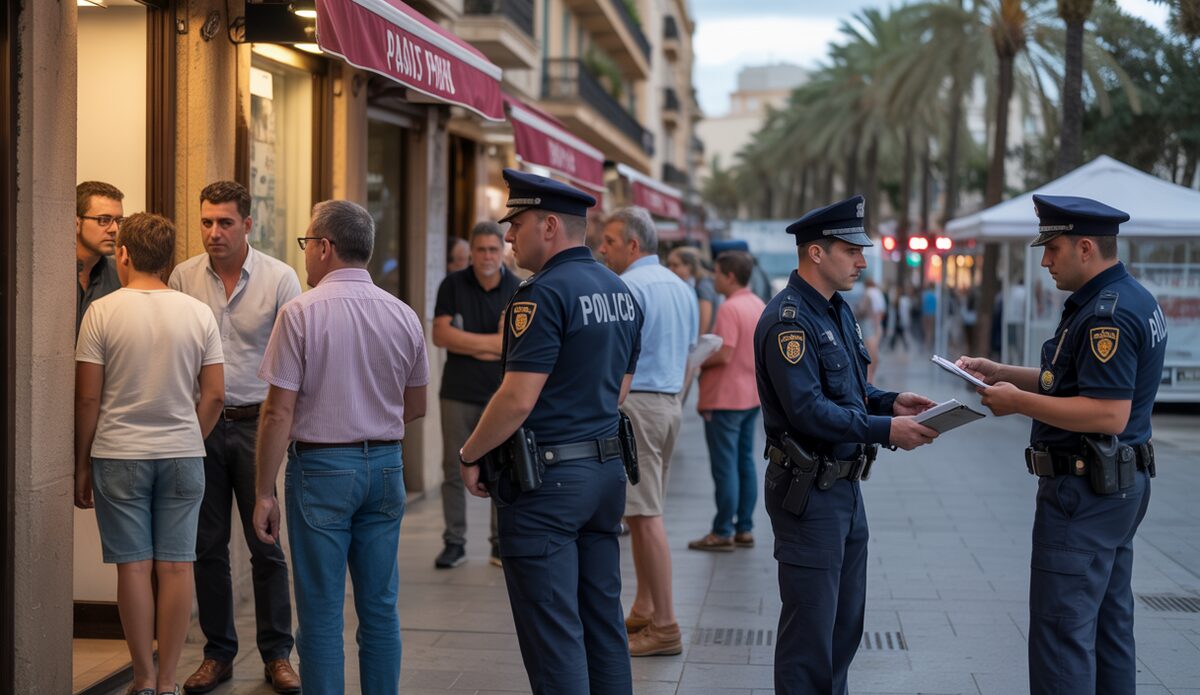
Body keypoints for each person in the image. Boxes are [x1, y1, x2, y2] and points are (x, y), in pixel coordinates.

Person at [958, 195, 1166, 695]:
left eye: (1052, 249)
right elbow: (1071, 380)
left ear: (1086, 248)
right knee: (1108, 628)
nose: (1046, 261)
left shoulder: (1105, 316)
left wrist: (1018, 404)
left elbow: (1106, 411)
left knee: (1061, 635)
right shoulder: (1131, 297)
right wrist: (1004, 374)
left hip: (1084, 494)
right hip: (1117, 486)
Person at [457, 169, 642, 694]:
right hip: (605, 476)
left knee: (555, 634)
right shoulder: (619, 291)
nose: (509, 236)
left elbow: (517, 398)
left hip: (550, 486)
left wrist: (471, 452)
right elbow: (619, 390)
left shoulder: (540, 296)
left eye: (517, 224)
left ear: (550, 226)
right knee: (603, 624)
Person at [754, 195, 939, 694]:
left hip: (842, 490)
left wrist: (891, 402)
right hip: (807, 491)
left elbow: (852, 394)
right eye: (851, 249)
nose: (862, 259)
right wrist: (886, 430)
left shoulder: (837, 311)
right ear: (816, 253)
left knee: (842, 628)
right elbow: (808, 411)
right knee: (810, 635)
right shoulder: (789, 321)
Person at [251, 200, 429, 695]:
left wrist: (264, 492)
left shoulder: (300, 313)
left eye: (307, 244)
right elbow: (415, 406)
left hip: (322, 469)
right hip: (387, 466)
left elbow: (277, 413)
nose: (306, 255)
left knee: (321, 611)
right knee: (379, 607)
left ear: (325, 248)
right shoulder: (403, 314)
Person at [75, 212, 226, 695]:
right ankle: (168, 682)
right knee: (179, 566)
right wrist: (189, 436)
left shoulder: (101, 312)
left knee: (134, 567)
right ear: (170, 259)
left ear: (123, 254)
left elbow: (87, 398)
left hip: (119, 454)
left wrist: (82, 461)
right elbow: (216, 395)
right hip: (183, 454)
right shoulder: (198, 313)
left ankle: (141, 679)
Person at [168, 181, 302, 694]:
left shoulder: (280, 279)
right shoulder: (183, 277)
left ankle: (277, 655)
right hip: (198, 425)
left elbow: (295, 359)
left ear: (248, 224)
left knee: (265, 544)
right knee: (206, 547)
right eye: (206, 221)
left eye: (224, 222)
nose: (213, 232)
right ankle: (218, 654)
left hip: (255, 424)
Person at [597, 206, 698, 657]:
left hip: (638, 405)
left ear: (633, 245)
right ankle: (643, 606)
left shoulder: (626, 287)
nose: (602, 249)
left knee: (646, 515)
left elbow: (614, 358)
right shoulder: (682, 288)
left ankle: (665, 625)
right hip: (669, 404)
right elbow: (692, 354)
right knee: (644, 515)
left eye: (610, 242)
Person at [432, 221, 521, 569]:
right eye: (481, 249)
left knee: (502, 468)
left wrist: (467, 341)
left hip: (500, 395)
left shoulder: (517, 288)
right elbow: (441, 336)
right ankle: (454, 542)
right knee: (453, 470)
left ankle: (500, 544)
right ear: (471, 251)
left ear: (503, 252)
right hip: (457, 392)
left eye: (493, 250)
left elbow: (512, 346)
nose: (487, 256)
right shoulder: (452, 285)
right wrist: (493, 344)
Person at [689, 250, 766, 553]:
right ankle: (744, 527)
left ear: (730, 276)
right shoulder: (758, 304)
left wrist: (697, 360)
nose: (713, 278)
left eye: (717, 273)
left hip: (725, 398)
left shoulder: (729, 308)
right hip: (750, 396)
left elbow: (725, 352)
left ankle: (722, 530)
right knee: (745, 462)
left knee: (725, 468)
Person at [76, 180, 124, 336]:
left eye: (119, 221)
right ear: (76, 223)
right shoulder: (49, 272)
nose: (114, 229)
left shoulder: (120, 273)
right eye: (103, 220)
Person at [667, 245, 718, 334]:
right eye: (669, 265)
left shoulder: (703, 285)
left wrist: (699, 344)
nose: (670, 269)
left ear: (689, 266)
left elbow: (704, 321)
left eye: (675, 265)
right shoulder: (693, 283)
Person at [857, 278, 885, 382]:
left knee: (869, 351)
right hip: (878, 325)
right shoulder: (878, 293)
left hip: (868, 324)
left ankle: (869, 375)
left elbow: (862, 309)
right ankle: (872, 374)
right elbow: (881, 311)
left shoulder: (868, 293)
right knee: (875, 351)